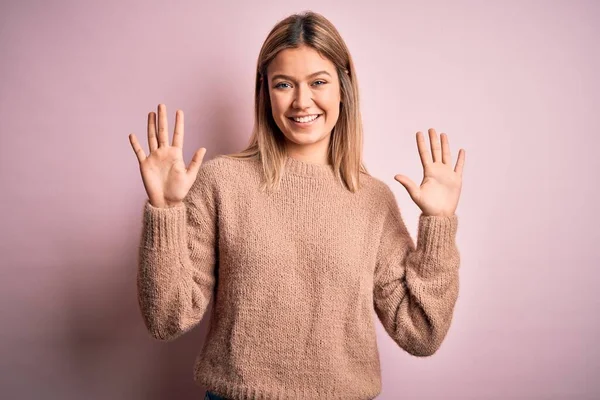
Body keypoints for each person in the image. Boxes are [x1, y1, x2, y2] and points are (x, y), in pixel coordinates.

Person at [128, 10, 465, 400]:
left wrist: (438, 224)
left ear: (343, 87)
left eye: (318, 82)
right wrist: (166, 211)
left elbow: (420, 333)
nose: (302, 101)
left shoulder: (373, 201)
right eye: (284, 84)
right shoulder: (222, 183)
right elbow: (167, 319)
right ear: (265, 92)